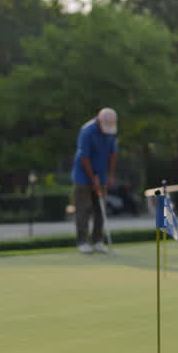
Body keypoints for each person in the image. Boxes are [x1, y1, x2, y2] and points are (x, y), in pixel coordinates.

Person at [72, 108, 119, 254]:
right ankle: (82, 242)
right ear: (99, 120)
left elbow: (113, 154)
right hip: (82, 177)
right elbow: (84, 157)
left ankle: (98, 241)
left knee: (101, 209)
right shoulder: (87, 131)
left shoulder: (111, 132)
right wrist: (93, 179)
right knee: (83, 209)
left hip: (102, 175)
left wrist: (110, 175)